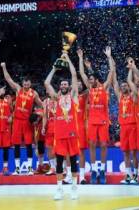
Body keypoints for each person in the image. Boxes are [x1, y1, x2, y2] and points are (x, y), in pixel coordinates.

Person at [44, 52, 80, 200]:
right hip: (59, 135)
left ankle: (74, 188)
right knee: (59, 162)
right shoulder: (56, 97)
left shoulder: (73, 97)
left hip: (72, 134)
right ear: (60, 87)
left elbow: (74, 75)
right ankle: (59, 189)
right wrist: (54, 68)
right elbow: (46, 83)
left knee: (73, 161)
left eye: (66, 84)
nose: (64, 86)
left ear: (69, 87)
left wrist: (68, 58)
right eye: (62, 84)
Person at [77, 47, 114, 184]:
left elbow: (111, 72)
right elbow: (81, 73)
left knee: (103, 145)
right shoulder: (90, 90)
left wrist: (109, 57)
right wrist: (81, 58)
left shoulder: (104, 88)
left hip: (103, 121)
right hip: (92, 121)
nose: (89, 81)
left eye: (91, 79)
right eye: (89, 80)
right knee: (92, 144)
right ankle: (94, 170)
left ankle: (102, 170)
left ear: (96, 80)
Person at [1, 62, 42, 175]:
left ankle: (29, 169)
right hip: (17, 121)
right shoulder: (18, 89)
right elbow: (8, 79)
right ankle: (17, 169)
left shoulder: (34, 94)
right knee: (17, 145)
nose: (26, 85)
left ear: (30, 84)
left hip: (27, 122)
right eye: (24, 83)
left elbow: (42, 105)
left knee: (29, 145)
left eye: (28, 83)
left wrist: (40, 113)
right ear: (22, 83)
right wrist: (4, 67)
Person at [112, 59, 138, 184]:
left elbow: (131, 82)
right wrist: (113, 65)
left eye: (125, 86)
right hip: (123, 128)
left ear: (129, 87)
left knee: (133, 152)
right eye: (122, 86)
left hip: (133, 126)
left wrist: (130, 69)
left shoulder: (133, 96)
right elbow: (114, 82)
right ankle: (128, 175)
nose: (123, 87)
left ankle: (136, 175)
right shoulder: (120, 96)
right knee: (126, 152)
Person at [76, 79, 88, 184]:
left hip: (80, 127)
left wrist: (89, 69)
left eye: (80, 84)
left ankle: (82, 177)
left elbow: (93, 86)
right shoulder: (69, 95)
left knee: (81, 152)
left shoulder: (85, 95)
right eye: (77, 84)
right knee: (68, 152)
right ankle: (70, 176)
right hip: (70, 126)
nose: (79, 86)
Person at [42, 96, 57, 175]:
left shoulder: (61, 98)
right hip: (50, 126)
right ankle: (53, 167)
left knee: (61, 147)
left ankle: (64, 168)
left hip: (60, 125)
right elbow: (44, 116)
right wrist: (43, 127)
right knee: (49, 147)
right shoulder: (46, 101)